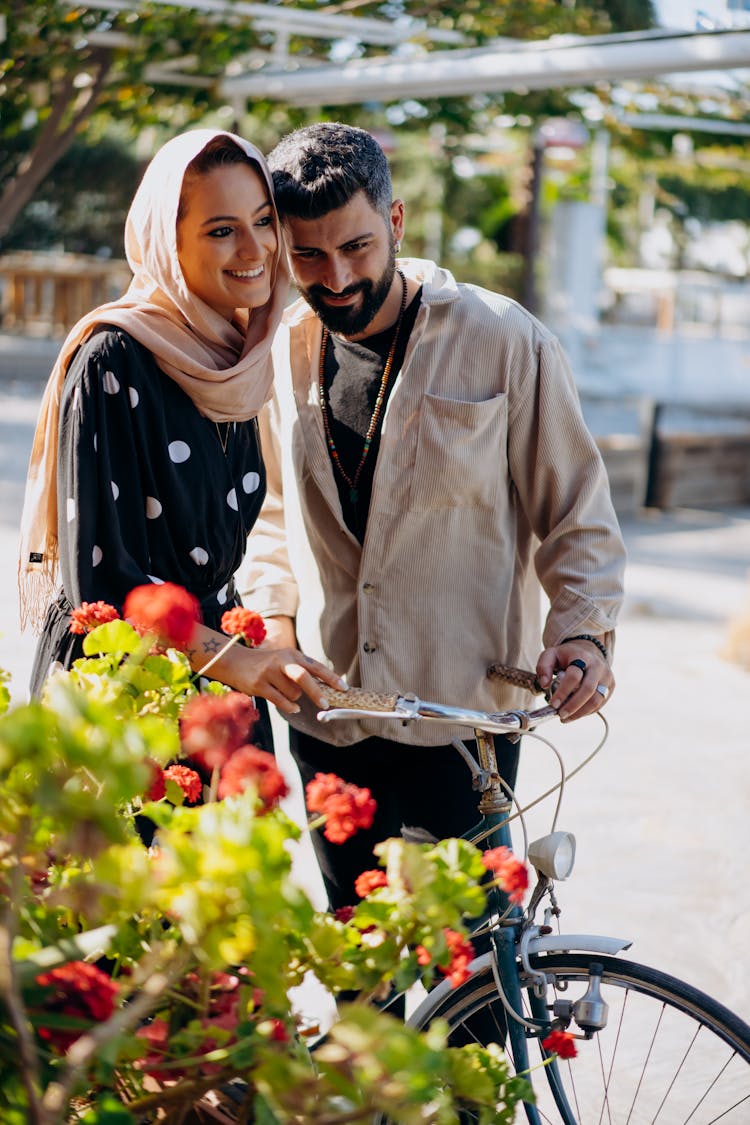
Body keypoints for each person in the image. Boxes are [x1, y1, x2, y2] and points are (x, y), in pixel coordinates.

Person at [239, 122, 627, 910]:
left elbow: (576, 512)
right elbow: (270, 514)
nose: (337, 276)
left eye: (356, 247)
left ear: (396, 223)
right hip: (329, 717)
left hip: (464, 721)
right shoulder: (280, 348)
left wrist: (583, 634)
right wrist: (273, 627)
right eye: (308, 255)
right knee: (360, 975)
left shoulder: (505, 339)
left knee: (480, 979)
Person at [18, 128, 339, 722]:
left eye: (264, 221)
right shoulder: (114, 358)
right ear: (167, 243)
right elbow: (103, 578)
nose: (254, 249)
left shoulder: (240, 358)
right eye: (221, 231)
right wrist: (228, 660)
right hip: (127, 685)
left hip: (220, 680)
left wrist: (263, 654)